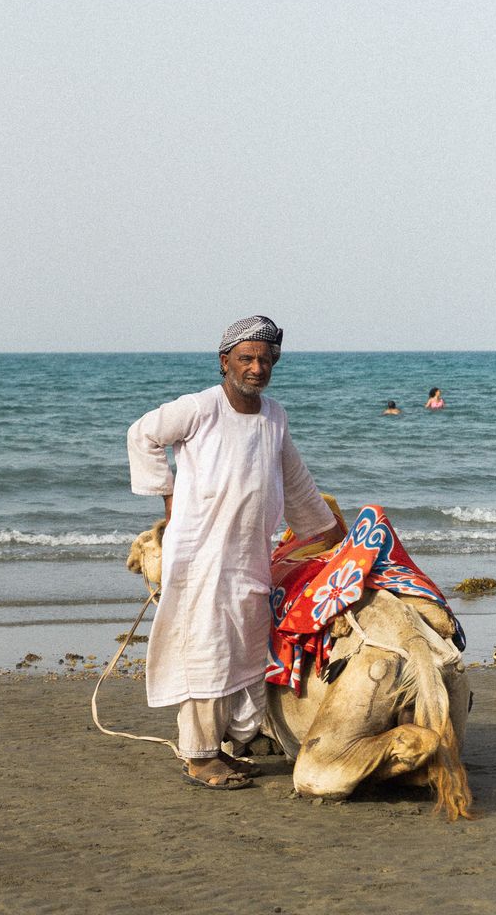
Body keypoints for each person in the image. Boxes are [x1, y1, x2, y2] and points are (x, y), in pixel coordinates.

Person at [127, 315, 343, 791]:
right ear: (224, 361)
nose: (256, 367)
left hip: (250, 552)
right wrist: (167, 495)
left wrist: (329, 531)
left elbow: (294, 479)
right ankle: (200, 757)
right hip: (200, 554)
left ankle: (228, 745)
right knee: (206, 647)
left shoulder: (275, 416)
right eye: (246, 358)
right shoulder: (199, 408)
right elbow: (142, 434)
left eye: (265, 359)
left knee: (245, 646)